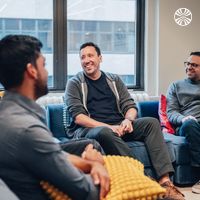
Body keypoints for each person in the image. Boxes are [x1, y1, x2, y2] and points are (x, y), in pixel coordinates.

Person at [65, 42, 185, 200]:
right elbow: (79, 117)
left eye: (90, 55)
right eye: (82, 57)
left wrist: (128, 120)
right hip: (91, 130)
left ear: (100, 58)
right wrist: (110, 127)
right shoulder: (74, 83)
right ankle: (143, 179)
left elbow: (130, 106)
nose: (86, 60)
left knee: (151, 122)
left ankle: (165, 183)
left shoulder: (114, 80)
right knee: (105, 132)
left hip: (119, 125)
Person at [0, 35, 110, 200]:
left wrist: (90, 163)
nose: (47, 71)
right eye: (43, 65)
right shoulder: (27, 129)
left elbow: (55, 153)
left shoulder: (10, 112)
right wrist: (99, 163)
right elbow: (88, 192)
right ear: (32, 71)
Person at [166, 51, 200, 194]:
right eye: (188, 64)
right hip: (187, 124)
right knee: (190, 124)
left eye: (194, 65)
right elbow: (171, 112)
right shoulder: (176, 86)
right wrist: (183, 118)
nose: (189, 67)